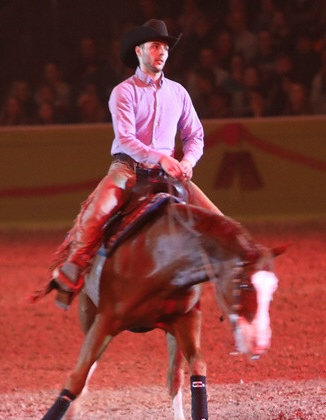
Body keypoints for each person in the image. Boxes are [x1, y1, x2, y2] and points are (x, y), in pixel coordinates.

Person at [48, 19, 222, 308]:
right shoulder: (123, 92)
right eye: (155, 46)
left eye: (165, 47)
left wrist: (188, 160)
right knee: (98, 210)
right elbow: (127, 140)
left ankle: (234, 287)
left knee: (219, 223)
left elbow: (195, 135)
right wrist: (163, 158)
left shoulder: (178, 92)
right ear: (139, 51)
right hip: (127, 168)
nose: (162, 52)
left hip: (170, 171)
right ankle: (72, 271)